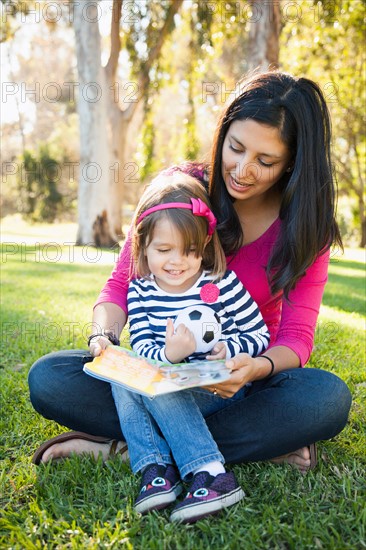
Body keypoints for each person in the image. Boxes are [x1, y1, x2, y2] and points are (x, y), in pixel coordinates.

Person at [29, 71, 352, 478]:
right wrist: (104, 337)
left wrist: (255, 367)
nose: (242, 169)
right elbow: (119, 285)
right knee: (49, 378)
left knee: (326, 399)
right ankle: (243, 447)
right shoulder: (179, 189)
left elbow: (296, 339)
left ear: (292, 164)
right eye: (235, 148)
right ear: (223, 137)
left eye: (265, 161)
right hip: (158, 376)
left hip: (238, 382)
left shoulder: (305, 229)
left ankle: (133, 448)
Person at [110, 173, 269, 522]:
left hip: (217, 389)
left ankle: (212, 473)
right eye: (164, 250)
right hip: (170, 382)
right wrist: (169, 355)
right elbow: (141, 345)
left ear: (205, 246)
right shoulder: (141, 291)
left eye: (190, 251)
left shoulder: (221, 284)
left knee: (159, 387)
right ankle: (157, 470)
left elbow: (259, 335)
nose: (177, 262)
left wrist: (230, 347)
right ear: (143, 246)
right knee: (123, 377)